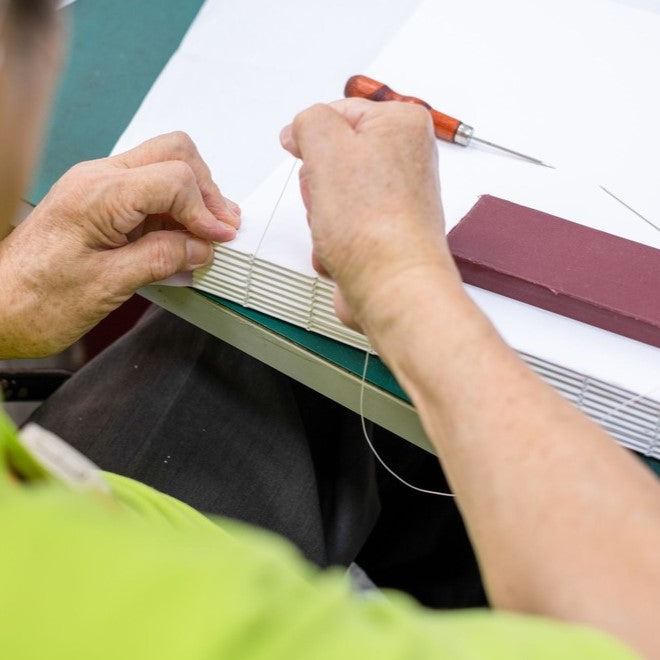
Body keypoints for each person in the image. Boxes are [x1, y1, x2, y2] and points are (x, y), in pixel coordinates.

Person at [0, 0, 657, 657]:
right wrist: (401, 277)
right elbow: (637, 625)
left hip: (84, 499)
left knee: (231, 355)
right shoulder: (221, 628)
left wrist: (11, 298)